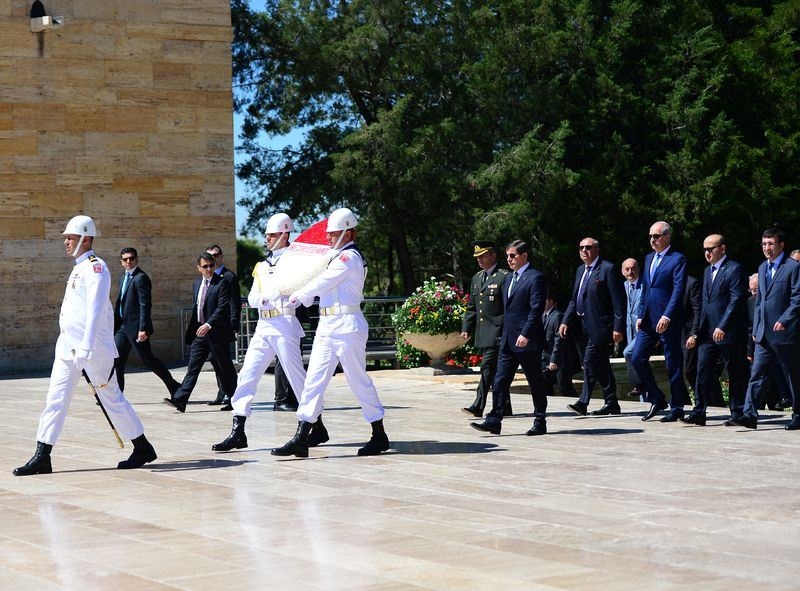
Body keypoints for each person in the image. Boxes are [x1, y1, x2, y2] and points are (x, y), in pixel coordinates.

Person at [13, 215, 157, 475]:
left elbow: (95, 308)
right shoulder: (79, 267)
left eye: (70, 238)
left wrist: (88, 346)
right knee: (55, 399)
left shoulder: (96, 267)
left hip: (93, 349)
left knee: (110, 398)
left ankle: (142, 446)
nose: (66, 242)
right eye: (66, 238)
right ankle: (42, 454)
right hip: (67, 347)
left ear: (85, 239)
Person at [272, 207, 390, 457]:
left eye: (333, 233)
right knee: (313, 380)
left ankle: (378, 434)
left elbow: (324, 281)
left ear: (348, 233)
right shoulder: (333, 257)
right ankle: (301, 436)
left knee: (357, 380)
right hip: (327, 326)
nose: (328, 237)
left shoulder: (350, 258)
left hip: (347, 325)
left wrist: (301, 294)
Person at [213, 213, 307, 451]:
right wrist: (266, 298)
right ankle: (238, 430)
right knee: (247, 375)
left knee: (297, 379)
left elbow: (296, 289)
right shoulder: (262, 266)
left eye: (272, 234)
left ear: (285, 235)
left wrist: (271, 297)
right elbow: (254, 297)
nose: (267, 238)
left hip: (285, 322)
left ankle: (312, 424)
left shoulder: (296, 261)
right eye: (266, 235)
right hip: (264, 325)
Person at [470, 240, 548, 436]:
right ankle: (495, 419)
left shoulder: (535, 278)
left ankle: (540, 420)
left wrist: (526, 334)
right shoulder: (509, 279)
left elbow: (535, 309)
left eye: (512, 255)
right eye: (507, 256)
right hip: (507, 340)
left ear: (524, 255)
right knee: (500, 380)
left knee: (535, 381)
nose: (509, 259)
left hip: (526, 340)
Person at [732, 227, 800, 430]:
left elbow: (797, 298)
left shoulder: (792, 267)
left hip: (785, 333)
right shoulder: (762, 268)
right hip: (763, 335)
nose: (766, 248)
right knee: (757, 374)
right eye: (764, 244)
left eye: (771, 243)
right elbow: (760, 300)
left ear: (781, 245)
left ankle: (798, 413)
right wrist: (757, 326)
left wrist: (785, 319)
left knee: (792, 375)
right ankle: (749, 415)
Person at [681, 235, 748, 425]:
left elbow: (735, 300)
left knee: (734, 372)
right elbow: (705, 304)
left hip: (728, 332)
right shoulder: (707, 271)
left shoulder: (734, 269)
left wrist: (723, 326)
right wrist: (696, 331)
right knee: (702, 371)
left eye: (711, 248)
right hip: (708, 332)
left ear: (723, 248)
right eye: (705, 249)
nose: (707, 253)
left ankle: (737, 412)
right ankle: (699, 411)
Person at [631, 221, 689, 422]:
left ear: (667, 236)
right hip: (648, 319)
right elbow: (645, 289)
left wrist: (668, 315)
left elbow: (678, 290)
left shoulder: (677, 259)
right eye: (650, 236)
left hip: (668, 319)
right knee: (636, 356)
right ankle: (657, 397)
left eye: (656, 236)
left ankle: (678, 406)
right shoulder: (648, 259)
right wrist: (640, 314)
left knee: (672, 363)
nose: (652, 240)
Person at [164, 253, 237, 413]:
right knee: (193, 367)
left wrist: (208, 324)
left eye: (211, 265)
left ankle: (236, 400)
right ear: (199, 268)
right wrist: (198, 327)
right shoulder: (197, 283)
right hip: (200, 334)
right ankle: (180, 400)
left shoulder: (222, 283)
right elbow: (198, 306)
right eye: (205, 266)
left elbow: (222, 308)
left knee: (225, 369)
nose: (209, 269)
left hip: (217, 333)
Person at [113, 247, 181, 396]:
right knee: (116, 359)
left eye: (131, 258)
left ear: (137, 259)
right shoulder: (123, 277)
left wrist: (143, 328)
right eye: (125, 259)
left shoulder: (141, 278)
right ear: (121, 262)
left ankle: (174, 386)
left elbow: (145, 305)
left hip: (136, 328)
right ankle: (117, 394)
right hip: (122, 328)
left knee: (148, 359)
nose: (128, 261)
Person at [459, 240, 512, 417]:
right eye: (477, 257)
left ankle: (478, 405)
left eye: (483, 256)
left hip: (498, 332)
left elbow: (509, 307)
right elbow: (472, 307)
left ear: (493, 255)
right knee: (498, 371)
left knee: (487, 368)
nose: (480, 260)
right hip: (484, 333)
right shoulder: (476, 278)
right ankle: (505, 406)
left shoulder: (504, 277)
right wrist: (467, 327)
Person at [206, 244, 242, 408]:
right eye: (209, 256)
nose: (213, 259)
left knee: (224, 361)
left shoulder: (228, 276)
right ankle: (223, 392)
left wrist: (234, 323)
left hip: (224, 326)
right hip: (211, 327)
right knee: (214, 359)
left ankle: (231, 394)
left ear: (221, 256)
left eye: (216, 255)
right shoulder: (209, 278)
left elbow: (235, 302)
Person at [541, 292, 578, 398]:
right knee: (544, 384)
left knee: (564, 387)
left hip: (560, 359)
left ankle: (576, 403)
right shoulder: (542, 316)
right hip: (545, 358)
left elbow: (559, 340)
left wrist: (554, 360)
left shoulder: (557, 316)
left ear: (551, 302)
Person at [620, 258, 645, 400]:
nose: (631, 272)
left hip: (644, 330)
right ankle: (646, 402)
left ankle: (639, 385)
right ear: (622, 272)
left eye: (633, 268)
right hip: (630, 331)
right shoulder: (623, 286)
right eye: (627, 269)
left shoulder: (645, 285)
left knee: (628, 353)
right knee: (639, 362)